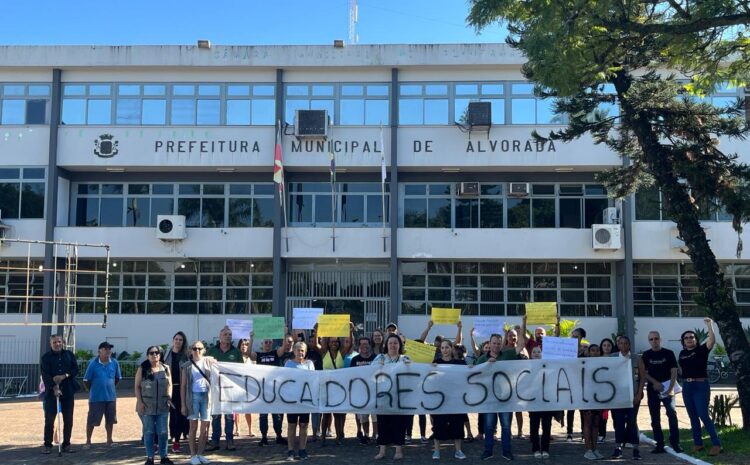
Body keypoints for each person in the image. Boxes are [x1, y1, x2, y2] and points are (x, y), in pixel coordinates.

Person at [476, 328, 525, 461]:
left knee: (506, 426)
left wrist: (522, 327)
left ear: (501, 343)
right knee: (489, 426)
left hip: (505, 398)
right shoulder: (482, 359)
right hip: (489, 398)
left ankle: (506, 451)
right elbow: (473, 373)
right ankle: (488, 451)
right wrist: (487, 365)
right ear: (489, 343)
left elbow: (521, 345)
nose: (496, 345)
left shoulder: (508, 354)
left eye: (498, 343)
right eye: (494, 343)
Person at [679, 318, 722, 456]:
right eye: (686, 338)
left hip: (700, 385)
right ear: (683, 341)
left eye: (691, 337)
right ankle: (698, 443)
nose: (689, 339)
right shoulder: (682, 353)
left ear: (696, 339)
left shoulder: (702, 350)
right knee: (692, 416)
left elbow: (712, 341)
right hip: (687, 386)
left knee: (703, 414)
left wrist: (710, 325)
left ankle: (717, 444)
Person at [638, 330, 683, 453]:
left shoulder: (668, 353)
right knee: (655, 418)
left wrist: (670, 389)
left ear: (660, 339)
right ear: (649, 341)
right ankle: (660, 444)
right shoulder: (646, 355)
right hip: (653, 391)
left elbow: (674, 371)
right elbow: (643, 373)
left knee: (672, 415)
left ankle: (675, 443)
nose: (654, 341)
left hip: (668, 388)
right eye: (651, 339)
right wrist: (655, 383)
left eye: (656, 338)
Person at [373, 334, 411, 460]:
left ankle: (398, 450)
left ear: (400, 345)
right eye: (390, 343)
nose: (393, 345)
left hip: (400, 398)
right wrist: (379, 366)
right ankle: (382, 450)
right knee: (383, 423)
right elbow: (371, 373)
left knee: (399, 424)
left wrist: (409, 365)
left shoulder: (404, 358)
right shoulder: (380, 357)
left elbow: (412, 373)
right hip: (383, 397)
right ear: (386, 345)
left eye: (395, 343)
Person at [135, 345, 174, 465]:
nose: (154, 355)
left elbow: (170, 385)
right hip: (147, 406)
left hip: (162, 406)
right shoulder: (143, 368)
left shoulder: (166, 368)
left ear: (160, 355)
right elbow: (137, 386)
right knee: (149, 432)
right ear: (147, 355)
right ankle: (150, 458)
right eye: (151, 353)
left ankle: (164, 457)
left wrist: (169, 397)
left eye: (157, 352)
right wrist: (140, 402)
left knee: (163, 432)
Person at [40, 334, 79, 454]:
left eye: (59, 342)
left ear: (62, 342)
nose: (57, 344)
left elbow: (75, 369)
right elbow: (45, 375)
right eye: (54, 342)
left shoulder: (69, 355)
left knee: (68, 419)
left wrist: (64, 376)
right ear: (50, 344)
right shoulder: (46, 357)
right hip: (52, 393)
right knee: (49, 420)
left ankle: (66, 444)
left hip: (68, 391)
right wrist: (54, 388)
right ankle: (48, 445)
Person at [206, 326, 242, 451]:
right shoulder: (211, 351)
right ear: (220, 337)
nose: (228, 336)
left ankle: (230, 440)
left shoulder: (236, 352)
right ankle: (215, 440)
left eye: (230, 334)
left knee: (229, 416)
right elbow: (205, 368)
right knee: (215, 415)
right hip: (215, 388)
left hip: (230, 389)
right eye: (225, 334)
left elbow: (241, 370)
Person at [430, 339, 467, 460]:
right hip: (440, 400)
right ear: (440, 349)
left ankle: (458, 450)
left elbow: (468, 374)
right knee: (438, 424)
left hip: (455, 400)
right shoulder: (436, 362)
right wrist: (432, 368)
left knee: (457, 424)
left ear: (451, 348)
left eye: (447, 347)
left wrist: (471, 368)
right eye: (442, 347)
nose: (445, 350)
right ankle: (436, 451)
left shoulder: (460, 363)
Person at [181, 340, 216, 465]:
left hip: (207, 396)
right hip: (193, 397)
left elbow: (218, 365)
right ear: (191, 350)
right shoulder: (187, 365)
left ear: (204, 350)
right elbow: (183, 386)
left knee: (205, 428)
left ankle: (201, 454)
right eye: (195, 348)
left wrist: (211, 358)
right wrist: (183, 405)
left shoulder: (208, 362)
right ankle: (193, 455)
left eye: (200, 348)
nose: (197, 351)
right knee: (193, 427)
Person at [83, 341, 121, 448]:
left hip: (110, 398)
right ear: (99, 351)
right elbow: (86, 380)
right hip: (96, 398)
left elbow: (117, 378)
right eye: (105, 349)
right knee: (92, 420)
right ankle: (88, 441)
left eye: (109, 349)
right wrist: (93, 390)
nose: (108, 351)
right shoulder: (93, 364)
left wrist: (110, 388)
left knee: (110, 420)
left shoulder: (114, 362)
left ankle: (109, 440)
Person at [610, 335, 642, 461]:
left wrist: (639, 394)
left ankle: (636, 449)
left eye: (626, 343)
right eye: (621, 343)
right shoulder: (612, 358)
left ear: (629, 345)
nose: (623, 345)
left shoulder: (636, 358)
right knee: (618, 423)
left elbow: (642, 377)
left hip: (633, 396)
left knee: (632, 422)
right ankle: (618, 448)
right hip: (618, 397)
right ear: (618, 345)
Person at [251, 337, 288, 446]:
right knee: (263, 415)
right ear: (262, 343)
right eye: (266, 342)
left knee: (276, 415)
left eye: (270, 342)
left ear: (272, 344)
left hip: (274, 389)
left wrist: (285, 333)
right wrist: (251, 338)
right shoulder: (258, 355)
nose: (268, 344)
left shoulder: (275, 353)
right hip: (262, 389)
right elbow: (248, 353)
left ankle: (279, 435)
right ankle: (264, 437)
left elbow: (284, 347)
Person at [284, 341, 315, 461]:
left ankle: (302, 449)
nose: (300, 352)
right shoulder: (288, 364)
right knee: (291, 426)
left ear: (305, 352)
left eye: (302, 350)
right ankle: (290, 450)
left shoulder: (309, 364)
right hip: (292, 400)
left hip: (305, 400)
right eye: (298, 350)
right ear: (294, 351)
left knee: (304, 425)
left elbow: (313, 380)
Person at [163, 331, 190, 453]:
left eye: (181, 340)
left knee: (179, 414)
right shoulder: (166, 354)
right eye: (176, 339)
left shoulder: (186, 356)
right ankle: (172, 435)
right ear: (173, 340)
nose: (178, 341)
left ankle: (177, 440)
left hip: (181, 389)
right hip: (168, 388)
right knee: (169, 415)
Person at [528, 346, 555, 459]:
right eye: (534, 352)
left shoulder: (549, 366)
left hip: (546, 402)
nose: (536, 353)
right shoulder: (526, 367)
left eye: (539, 352)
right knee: (534, 427)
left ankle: (545, 449)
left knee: (547, 426)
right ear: (531, 354)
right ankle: (535, 449)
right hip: (533, 402)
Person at [350, 336, 377, 444]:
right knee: (363, 417)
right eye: (362, 344)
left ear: (370, 345)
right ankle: (366, 435)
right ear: (359, 346)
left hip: (374, 392)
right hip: (360, 393)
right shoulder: (355, 360)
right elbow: (350, 375)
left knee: (375, 416)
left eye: (366, 344)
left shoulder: (376, 358)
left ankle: (376, 435)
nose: (364, 346)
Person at [582, 344, 603, 460]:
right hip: (586, 397)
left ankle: (595, 448)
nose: (595, 352)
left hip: (598, 398)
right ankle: (588, 449)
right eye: (593, 350)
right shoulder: (584, 364)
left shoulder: (602, 364)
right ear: (589, 352)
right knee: (588, 423)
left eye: (597, 350)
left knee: (596, 423)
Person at [237, 337, 256, 438]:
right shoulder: (236, 356)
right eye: (242, 344)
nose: (244, 346)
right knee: (236, 409)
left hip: (248, 385)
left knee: (248, 409)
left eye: (246, 344)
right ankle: (237, 428)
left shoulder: (251, 358)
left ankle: (250, 429)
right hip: (237, 385)